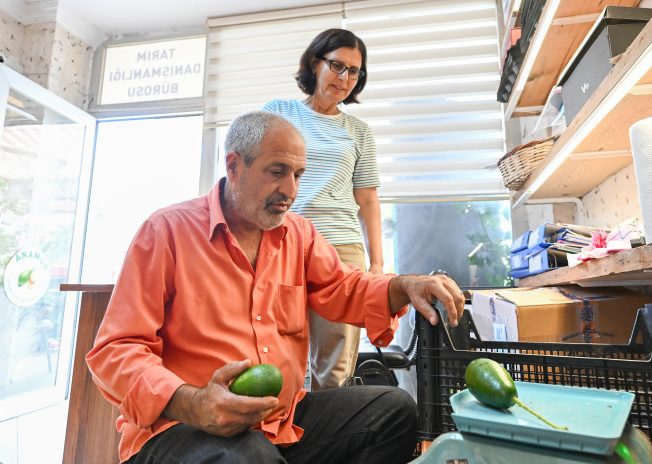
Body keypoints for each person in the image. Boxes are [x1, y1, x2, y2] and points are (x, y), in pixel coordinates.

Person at [86, 111, 464, 464]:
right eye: (277, 171)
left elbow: (344, 287)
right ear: (234, 166)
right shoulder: (166, 231)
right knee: (249, 455)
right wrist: (192, 402)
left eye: (298, 174)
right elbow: (116, 350)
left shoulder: (299, 235)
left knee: (394, 410)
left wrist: (404, 285)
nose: (290, 189)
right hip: (182, 427)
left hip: (279, 424)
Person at [263, 28, 382, 390]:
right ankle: (282, 425)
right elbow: (257, 175)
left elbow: (367, 200)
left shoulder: (359, 132)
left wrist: (377, 265)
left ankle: (330, 428)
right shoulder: (279, 113)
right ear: (315, 63)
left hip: (341, 250)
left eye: (354, 71)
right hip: (284, 245)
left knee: (334, 367)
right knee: (275, 355)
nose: (344, 78)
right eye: (337, 66)